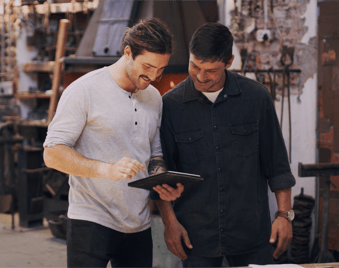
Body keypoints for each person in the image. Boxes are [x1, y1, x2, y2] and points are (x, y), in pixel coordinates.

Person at [151, 22, 296, 267]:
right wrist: (169, 223)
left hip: (252, 233)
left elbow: (278, 165)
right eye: (194, 66)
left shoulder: (257, 98)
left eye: (210, 70)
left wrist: (284, 215)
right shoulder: (170, 106)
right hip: (196, 237)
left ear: (228, 62)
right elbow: (163, 176)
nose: (199, 76)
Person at [43, 18, 184, 268]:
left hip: (138, 224)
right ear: (127, 52)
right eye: (148, 66)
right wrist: (105, 169)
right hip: (91, 220)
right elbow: (52, 153)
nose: (153, 76)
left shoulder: (153, 97)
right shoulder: (83, 90)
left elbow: (155, 155)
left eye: (160, 69)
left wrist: (162, 182)